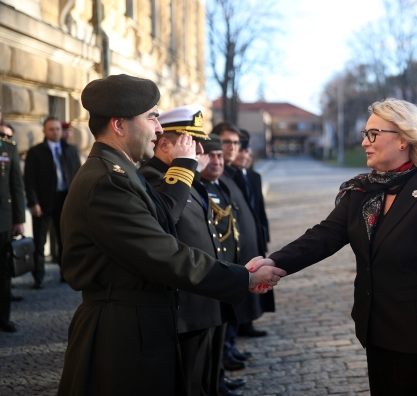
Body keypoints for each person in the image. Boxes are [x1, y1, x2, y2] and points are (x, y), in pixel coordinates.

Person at [57, 74, 285, 396]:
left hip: (139, 327)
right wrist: (242, 278)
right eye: (151, 117)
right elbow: (166, 254)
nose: (159, 127)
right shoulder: (108, 181)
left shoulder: (123, 174)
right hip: (122, 334)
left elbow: (163, 220)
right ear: (120, 125)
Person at [250, 98, 417, 395]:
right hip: (376, 333)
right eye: (365, 134)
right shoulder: (362, 192)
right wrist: (274, 263)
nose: (365, 142)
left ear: (403, 139)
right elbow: (323, 237)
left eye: (373, 134)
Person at [139, 105, 225, 396]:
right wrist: (184, 167)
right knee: (187, 383)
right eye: (191, 142)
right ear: (164, 144)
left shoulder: (182, 175)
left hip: (203, 298)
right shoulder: (152, 178)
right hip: (184, 303)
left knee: (203, 380)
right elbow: (165, 218)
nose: (199, 149)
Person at [200, 134, 248, 396]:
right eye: (211, 156)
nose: (217, 161)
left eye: (220, 156)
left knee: (222, 331)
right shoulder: (199, 187)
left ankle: (218, 378)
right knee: (210, 339)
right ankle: (213, 382)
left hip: (226, 269)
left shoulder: (220, 185)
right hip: (211, 271)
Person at [24, 116, 82, 287]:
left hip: (65, 200)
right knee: (39, 242)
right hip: (42, 202)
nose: (55, 132)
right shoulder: (35, 152)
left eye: (58, 129)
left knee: (64, 239)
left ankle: (66, 274)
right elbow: (29, 180)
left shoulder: (70, 150)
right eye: (51, 129)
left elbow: (78, 175)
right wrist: (33, 202)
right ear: (44, 131)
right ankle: (38, 277)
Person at [231, 129, 272, 338]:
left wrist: (264, 235)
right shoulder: (231, 177)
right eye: (242, 152)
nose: (245, 157)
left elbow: (260, 211)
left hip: (255, 234)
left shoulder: (253, 177)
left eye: (248, 153)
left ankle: (249, 322)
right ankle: (241, 325)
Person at [0, 109, 25, 333]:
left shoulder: (7, 148)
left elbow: (17, 185)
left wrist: (19, 219)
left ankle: (3, 318)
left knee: (4, 272)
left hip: (3, 221)